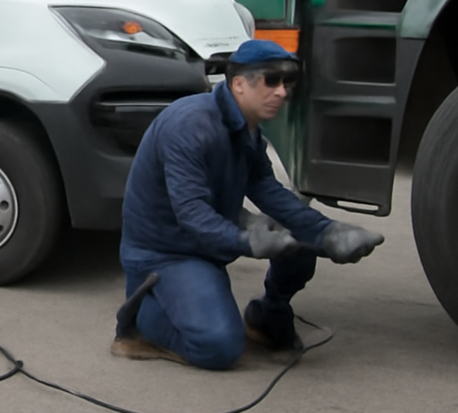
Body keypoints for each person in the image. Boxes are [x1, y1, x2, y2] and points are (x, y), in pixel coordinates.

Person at [112, 38, 384, 370]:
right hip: (168, 253)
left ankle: (268, 316)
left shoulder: (247, 128)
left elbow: (267, 189)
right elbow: (192, 213)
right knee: (219, 348)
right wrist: (246, 239)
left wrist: (326, 232)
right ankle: (139, 320)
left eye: (287, 82)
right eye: (272, 81)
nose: (282, 92)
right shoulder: (188, 126)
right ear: (239, 84)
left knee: (298, 240)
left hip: (205, 240)